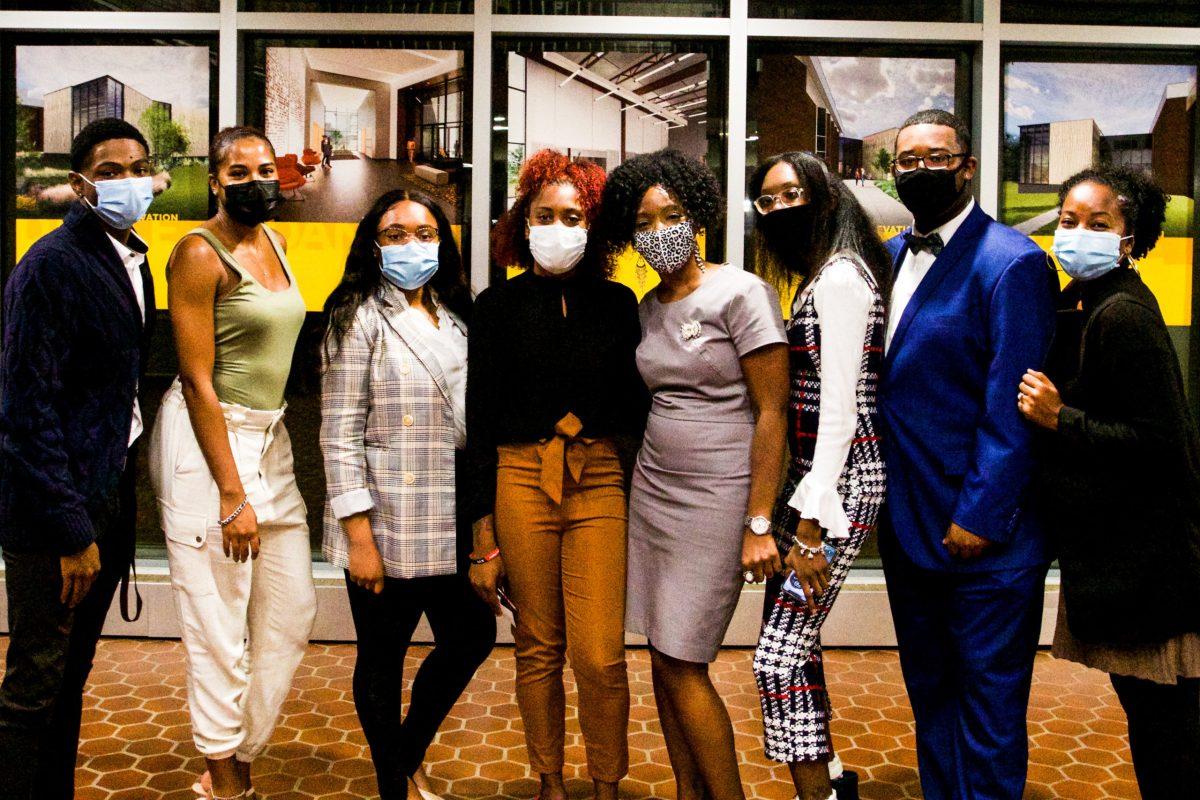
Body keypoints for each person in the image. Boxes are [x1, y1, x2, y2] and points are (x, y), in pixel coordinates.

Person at [590, 149, 788, 800]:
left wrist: (760, 521)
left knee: (684, 658)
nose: (660, 231)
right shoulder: (646, 306)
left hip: (721, 495)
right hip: (655, 491)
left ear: (697, 216)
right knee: (661, 654)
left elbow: (772, 412)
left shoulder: (741, 292)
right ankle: (687, 792)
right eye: (644, 222)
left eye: (672, 215)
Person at [877, 109, 1058, 800]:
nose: (920, 169)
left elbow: (1010, 405)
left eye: (936, 156)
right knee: (931, 697)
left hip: (986, 539)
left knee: (987, 714)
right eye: (907, 159)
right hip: (907, 523)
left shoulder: (1011, 262)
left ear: (969, 166)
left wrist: (980, 514)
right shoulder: (888, 256)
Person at [466, 149, 645, 800]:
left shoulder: (621, 305)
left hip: (598, 475)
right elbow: (479, 421)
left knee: (599, 653)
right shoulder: (495, 307)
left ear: (593, 227)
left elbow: (636, 406)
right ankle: (549, 779)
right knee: (537, 643)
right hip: (519, 475)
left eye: (573, 215)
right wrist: (482, 537)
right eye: (545, 214)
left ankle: (606, 780)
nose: (558, 227)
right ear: (523, 221)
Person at [1018, 166, 1200, 800]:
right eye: (1068, 222)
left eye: (1099, 224)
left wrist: (1058, 417)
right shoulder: (1088, 301)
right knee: (1155, 727)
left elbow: (1160, 445)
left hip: (1150, 568)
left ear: (1129, 239)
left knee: (1166, 732)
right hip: (1122, 560)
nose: (1077, 234)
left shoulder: (1122, 313)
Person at [151, 125, 315, 800]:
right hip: (209, 445)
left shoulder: (273, 241)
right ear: (214, 181)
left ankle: (235, 752)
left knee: (293, 611)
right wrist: (229, 493)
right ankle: (227, 782)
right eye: (237, 172)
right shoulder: (198, 253)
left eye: (262, 169)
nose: (254, 181)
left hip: (268, 440)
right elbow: (197, 381)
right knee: (220, 628)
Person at [320, 189, 496, 800]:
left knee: (473, 637)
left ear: (443, 243)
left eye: (424, 233)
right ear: (373, 244)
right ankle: (391, 782)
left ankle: (405, 753)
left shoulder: (456, 314)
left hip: (447, 513)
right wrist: (358, 536)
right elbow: (338, 431)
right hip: (384, 518)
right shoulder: (356, 315)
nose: (411, 245)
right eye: (395, 234)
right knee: (382, 655)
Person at [0, 118, 155, 800]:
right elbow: (24, 413)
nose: (127, 181)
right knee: (34, 690)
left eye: (137, 167)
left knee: (70, 679)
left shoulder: (129, 256)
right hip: (52, 520)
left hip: (104, 503)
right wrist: (71, 531)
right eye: (109, 169)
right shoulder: (51, 265)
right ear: (80, 183)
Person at [747, 152, 890, 800]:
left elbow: (839, 411)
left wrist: (807, 529)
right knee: (796, 645)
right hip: (815, 483)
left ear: (824, 196)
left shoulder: (838, 280)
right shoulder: (820, 275)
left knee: (776, 658)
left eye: (791, 194)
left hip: (839, 486)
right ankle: (831, 778)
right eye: (767, 201)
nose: (778, 209)